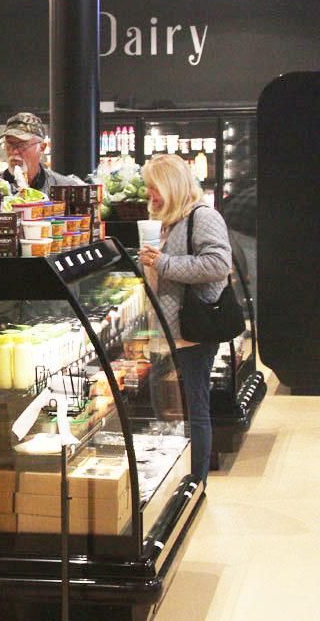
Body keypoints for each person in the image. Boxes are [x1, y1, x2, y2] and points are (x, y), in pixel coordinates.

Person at [137, 154, 232, 486]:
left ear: (172, 186)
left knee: (194, 410)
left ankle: (195, 481)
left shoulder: (203, 217)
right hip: (162, 331)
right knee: (163, 409)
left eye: (154, 189)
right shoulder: (164, 220)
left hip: (192, 331)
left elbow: (218, 265)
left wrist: (163, 263)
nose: (151, 197)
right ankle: (172, 477)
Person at [0, 112, 85, 196]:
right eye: (10, 144)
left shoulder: (64, 188)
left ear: (42, 147)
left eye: (22, 145)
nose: (14, 151)